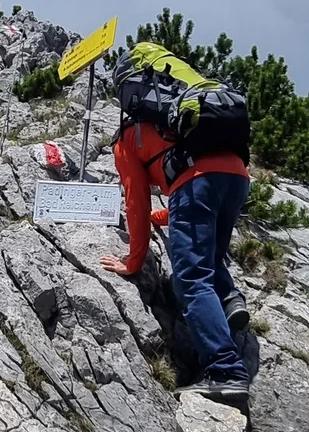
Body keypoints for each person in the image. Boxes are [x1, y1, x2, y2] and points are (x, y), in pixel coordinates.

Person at [99, 113, 253, 400]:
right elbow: (193, 205)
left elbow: (136, 201)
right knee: (207, 256)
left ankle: (225, 371)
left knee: (192, 280)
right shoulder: (181, 122)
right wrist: (161, 216)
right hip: (236, 176)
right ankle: (230, 299)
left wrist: (133, 261)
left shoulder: (125, 140)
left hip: (197, 181)